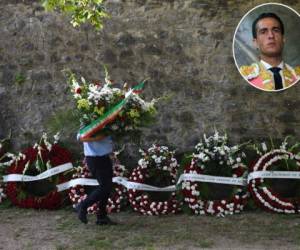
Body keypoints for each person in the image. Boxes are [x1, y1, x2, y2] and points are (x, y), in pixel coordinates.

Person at [240, 12, 300, 91]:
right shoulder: (244, 75)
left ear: (283, 39)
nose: (271, 36)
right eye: (263, 32)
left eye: (276, 30)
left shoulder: (297, 75)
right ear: (255, 42)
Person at [76, 132, 116, 225]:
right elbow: (79, 137)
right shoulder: (88, 120)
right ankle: (83, 205)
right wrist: (97, 137)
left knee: (107, 186)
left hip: (104, 157)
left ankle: (102, 216)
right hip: (95, 158)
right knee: (104, 187)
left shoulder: (107, 121)